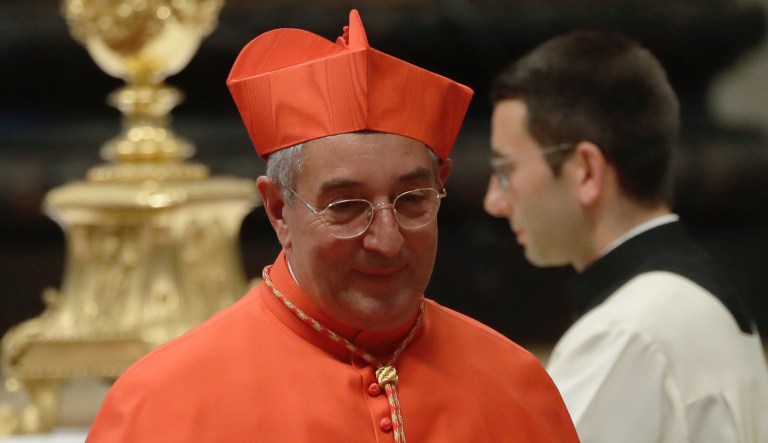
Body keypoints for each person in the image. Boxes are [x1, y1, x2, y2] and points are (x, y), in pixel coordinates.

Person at [86, 10, 579, 442]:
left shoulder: (516, 385)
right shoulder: (161, 405)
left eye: (411, 201)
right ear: (278, 210)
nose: (387, 242)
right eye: (345, 207)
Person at [484, 29, 768, 442]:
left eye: (507, 170)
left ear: (585, 171)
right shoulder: (685, 300)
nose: (494, 200)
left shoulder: (630, 333)